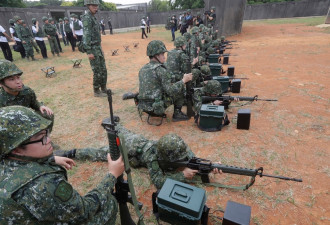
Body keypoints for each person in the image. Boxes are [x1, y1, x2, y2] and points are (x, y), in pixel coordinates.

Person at [0, 105, 124, 224]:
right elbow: (85, 210)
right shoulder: (43, 185)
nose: (49, 140)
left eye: (46, 133)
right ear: (16, 149)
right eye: (41, 138)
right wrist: (112, 175)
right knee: (109, 204)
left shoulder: (7, 156)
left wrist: (51, 159)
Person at [54, 125, 221, 190]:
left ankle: (115, 125)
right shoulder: (152, 156)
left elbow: (192, 160)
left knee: (125, 132)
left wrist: (208, 166)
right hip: (131, 150)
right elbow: (158, 181)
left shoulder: (177, 148)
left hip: (139, 140)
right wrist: (181, 176)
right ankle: (71, 152)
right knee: (100, 153)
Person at [138, 40, 193, 121]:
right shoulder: (161, 70)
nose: (164, 56)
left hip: (144, 106)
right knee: (181, 88)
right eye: (162, 54)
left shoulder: (143, 68)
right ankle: (177, 114)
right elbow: (170, 91)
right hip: (156, 107)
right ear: (156, 55)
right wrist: (183, 81)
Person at [0, 59, 54, 131]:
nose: (18, 82)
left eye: (18, 77)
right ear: (1, 84)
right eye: (12, 79)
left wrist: (40, 106)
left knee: (47, 113)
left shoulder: (27, 91)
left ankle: (43, 137)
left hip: (27, 120)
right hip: (12, 128)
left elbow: (34, 103)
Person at [82, 0, 108, 97]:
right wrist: (89, 52)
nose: (95, 7)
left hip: (98, 47)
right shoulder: (87, 18)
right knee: (97, 71)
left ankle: (104, 88)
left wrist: (101, 48)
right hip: (92, 48)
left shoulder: (93, 17)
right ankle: (96, 91)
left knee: (103, 69)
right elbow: (86, 36)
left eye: (96, 6)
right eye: (93, 5)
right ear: (88, 5)